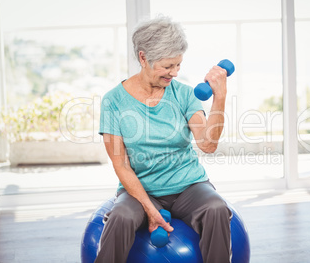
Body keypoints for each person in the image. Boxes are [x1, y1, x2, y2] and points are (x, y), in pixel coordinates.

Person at [95, 16, 232, 263]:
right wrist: (150, 209)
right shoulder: (113, 101)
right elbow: (121, 165)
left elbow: (207, 145)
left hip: (189, 186)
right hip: (141, 189)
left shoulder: (184, 94)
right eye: (168, 66)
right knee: (121, 217)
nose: (175, 72)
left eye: (178, 65)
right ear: (143, 57)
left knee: (216, 208)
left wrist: (219, 98)